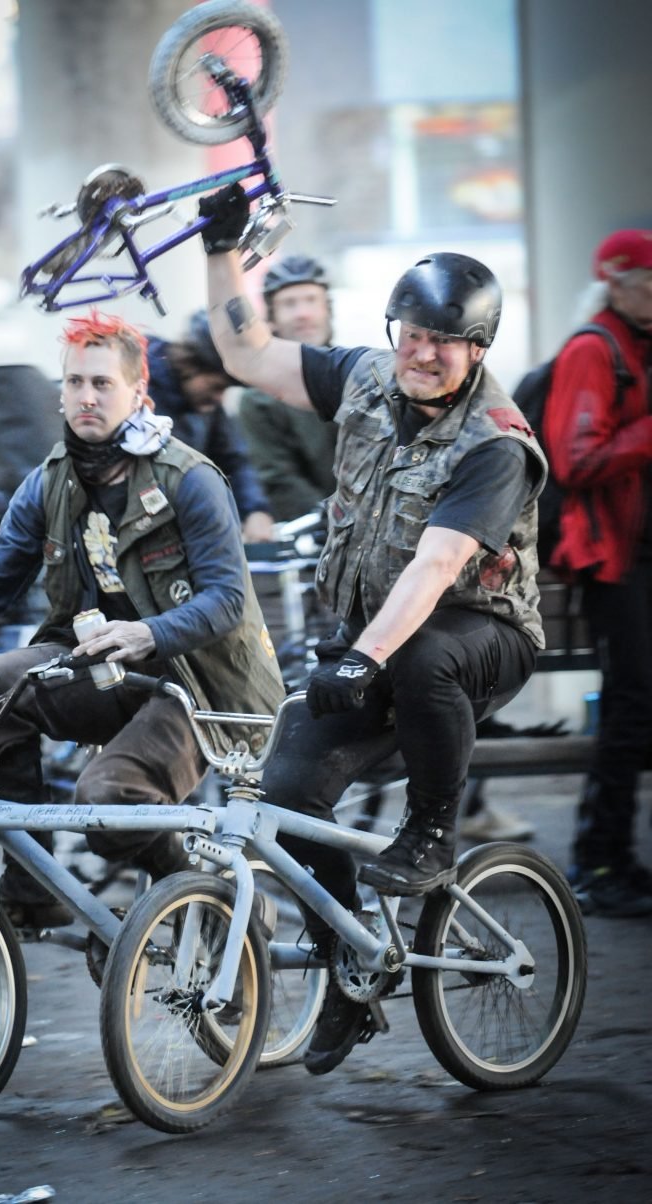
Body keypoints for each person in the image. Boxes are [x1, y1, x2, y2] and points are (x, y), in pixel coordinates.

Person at [197, 182, 547, 1074]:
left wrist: (361, 656)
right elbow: (246, 352)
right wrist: (222, 251)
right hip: (378, 643)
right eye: (412, 333)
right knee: (286, 794)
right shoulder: (362, 379)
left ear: (478, 348)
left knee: (427, 655)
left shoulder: (495, 443)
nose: (421, 354)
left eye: (444, 341)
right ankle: (349, 966)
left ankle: (433, 831)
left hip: (480, 639)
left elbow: (435, 567)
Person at [0, 310, 284, 929]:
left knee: (109, 801)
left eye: (103, 384)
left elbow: (226, 600)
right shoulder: (48, 482)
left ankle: (209, 894)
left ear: (138, 392)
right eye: (75, 382)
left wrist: (147, 632)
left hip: (201, 686)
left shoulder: (190, 479)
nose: (86, 397)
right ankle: (33, 889)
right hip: (106, 671)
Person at [544, 228, 652, 918]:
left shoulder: (638, 345)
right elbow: (576, 459)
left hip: (639, 557)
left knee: (636, 708)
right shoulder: (595, 348)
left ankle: (614, 857)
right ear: (617, 283)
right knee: (630, 709)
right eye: (650, 282)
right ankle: (600, 860)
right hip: (616, 563)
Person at [147, 310, 275, 542]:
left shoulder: (206, 408)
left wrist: (254, 510)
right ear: (189, 366)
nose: (219, 398)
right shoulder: (141, 391)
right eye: (216, 386)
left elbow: (233, 459)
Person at [237, 255, 338, 521]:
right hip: (318, 529)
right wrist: (337, 520)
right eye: (289, 304)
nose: (303, 313)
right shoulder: (259, 397)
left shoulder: (359, 376)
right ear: (271, 318)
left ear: (327, 309)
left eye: (311, 300)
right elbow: (279, 479)